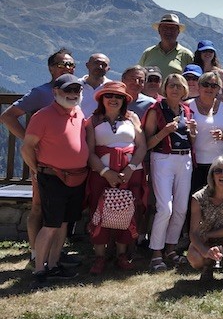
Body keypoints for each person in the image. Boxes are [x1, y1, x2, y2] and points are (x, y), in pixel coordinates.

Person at [1, 48, 76, 268]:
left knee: (58, 211)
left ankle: (53, 254)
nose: (67, 68)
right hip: (43, 163)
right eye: (62, 65)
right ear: (51, 68)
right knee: (38, 207)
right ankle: (36, 255)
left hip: (66, 166)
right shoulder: (41, 92)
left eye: (71, 65)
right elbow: (7, 116)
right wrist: (30, 142)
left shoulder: (72, 91)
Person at [21, 73, 90, 288]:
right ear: (55, 92)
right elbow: (27, 147)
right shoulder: (42, 116)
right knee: (50, 225)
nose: (73, 94)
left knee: (63, 224)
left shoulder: (78, 112)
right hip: (52, 177)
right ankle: (40, 270)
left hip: (76, 177)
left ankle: (53, 265)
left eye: (76, 90)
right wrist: (37, 171)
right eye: (68, 90)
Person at [84, 81, 147, 274]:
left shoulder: (132, 118)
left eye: (118, 96)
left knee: (127, 212)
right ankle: (100, 257)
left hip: (130, 173)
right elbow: (90, 151)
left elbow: (141, 146)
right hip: (101, 174)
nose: (113, 100)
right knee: (99, 212)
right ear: (101, 98)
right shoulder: (92, 121)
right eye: (109, 95)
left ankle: (122, 254)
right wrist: (106, 172)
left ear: (124, 100)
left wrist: (130, 168)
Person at [143, 73, 197, 272]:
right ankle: (156, 252)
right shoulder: (155, 110)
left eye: (179, 86)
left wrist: (193, 133)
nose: (175, 89)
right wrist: (164, 131)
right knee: (165, 208)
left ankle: (171, 249)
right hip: (163, 159)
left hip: (185, 160)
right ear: (165, 88)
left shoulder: (186, 110)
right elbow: (147, 142)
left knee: (181, 208)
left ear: (185, 90)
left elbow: (191, 140)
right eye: (171, 85)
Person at [186, 156, 223, 285]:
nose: (222, 174)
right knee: (193, 256)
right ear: (212, 175)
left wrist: (209, 234)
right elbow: (193, 232)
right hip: (204, 239)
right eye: (217, 171)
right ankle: (207, 268)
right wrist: (205, 251)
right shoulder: (198, 197)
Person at [186, 72, 223, 201]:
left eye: (214, 85)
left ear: (218, 89)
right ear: (199, 87)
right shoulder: (188, 106)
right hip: (193, 163)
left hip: (217, 164)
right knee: (194, 200)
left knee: (215, 200)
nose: (209, 88)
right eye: (205, 84)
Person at [78, 53, 111, 117]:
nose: (100, 67)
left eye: (104, 65)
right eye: (96, 63)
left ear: (108, 69)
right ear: (87, 65)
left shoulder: (111, 88)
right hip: (78, 126)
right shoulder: (76, 85)